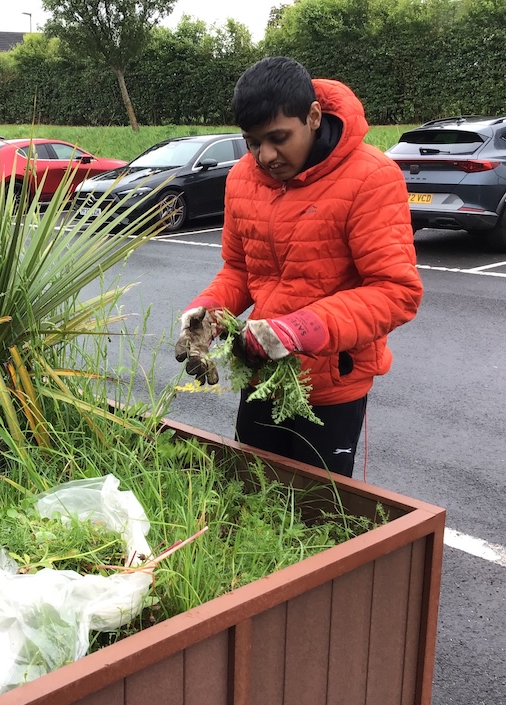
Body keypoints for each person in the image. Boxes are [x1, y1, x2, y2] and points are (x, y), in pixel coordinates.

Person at [174, 56, 423, 477]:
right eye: (252, 141)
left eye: (278, 137)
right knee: (251, 492)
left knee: (318, 513)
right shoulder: (241, 179)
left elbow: (396, 291)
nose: (265, 155)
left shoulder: (372, 177)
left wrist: (298, 329)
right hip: (260, 371)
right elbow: (240, 269)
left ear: (313, 116)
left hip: (332, 385)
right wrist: (208, 314)